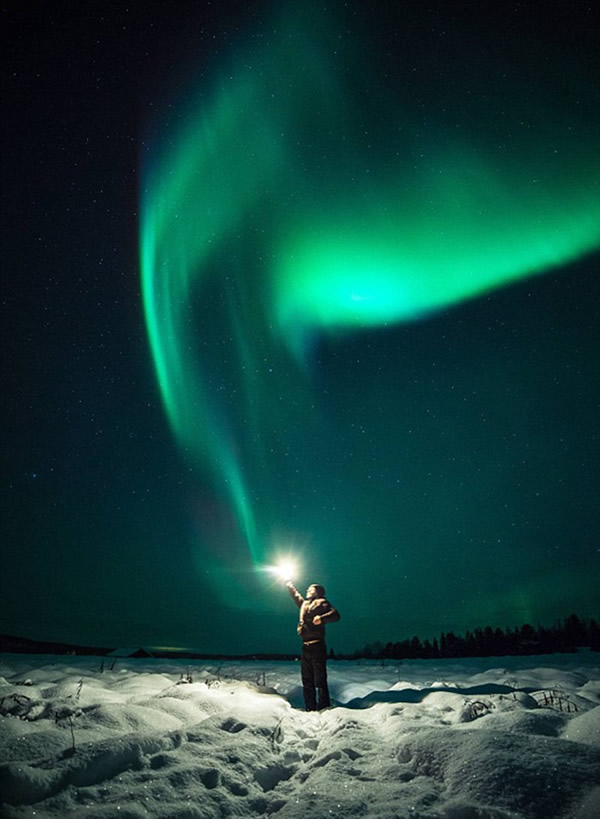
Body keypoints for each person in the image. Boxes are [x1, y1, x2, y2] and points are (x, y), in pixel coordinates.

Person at [286, 580, 340, 711]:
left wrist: (322, 618)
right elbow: (296, 596)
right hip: (305, 647)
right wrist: (289, 585)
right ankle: (310, 708)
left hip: (317, 646)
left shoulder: (322, 603)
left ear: (318, 592)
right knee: (307, 679)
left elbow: (336, 615)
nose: (307, 591)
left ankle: (323, 707)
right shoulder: (304, 604)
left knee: (320, 679)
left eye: (311, 589)